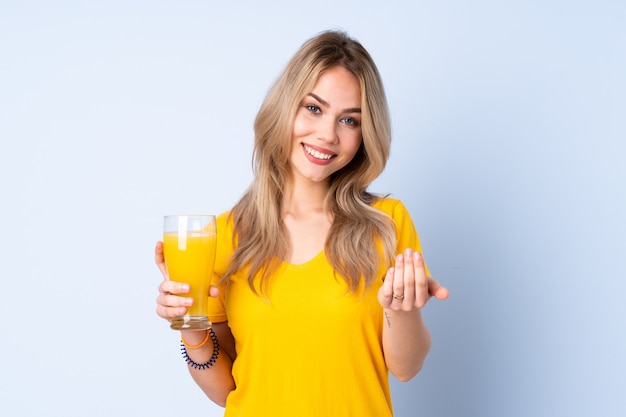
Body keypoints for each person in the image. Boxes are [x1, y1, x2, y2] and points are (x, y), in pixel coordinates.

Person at [155, 30, 449, 416]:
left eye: (349, 120)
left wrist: (403, 309)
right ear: (285, 107)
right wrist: (191, 328)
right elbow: (227, 391)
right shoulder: (224, 234)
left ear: (365, 134)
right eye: (314, 108)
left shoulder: (387, 223)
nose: (328, 135)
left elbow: (406, 368)